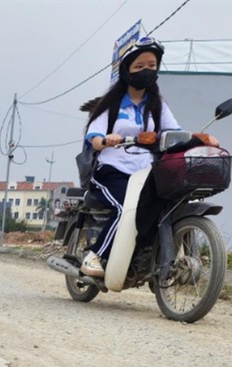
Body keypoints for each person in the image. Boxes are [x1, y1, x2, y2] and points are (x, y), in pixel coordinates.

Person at [78, 36, 217, 278]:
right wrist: (107, 139)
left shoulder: (157, 105)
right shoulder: (111, 105)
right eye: (139, 66)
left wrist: (199, 139)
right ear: (127, 71)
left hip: (145, 172)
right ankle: (95, 255)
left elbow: (174, 134)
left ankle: (147, 255)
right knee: (126, 209)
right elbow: (95, 137)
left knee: (164, 206)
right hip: (112, 170)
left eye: (152, 65)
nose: (146, 71)